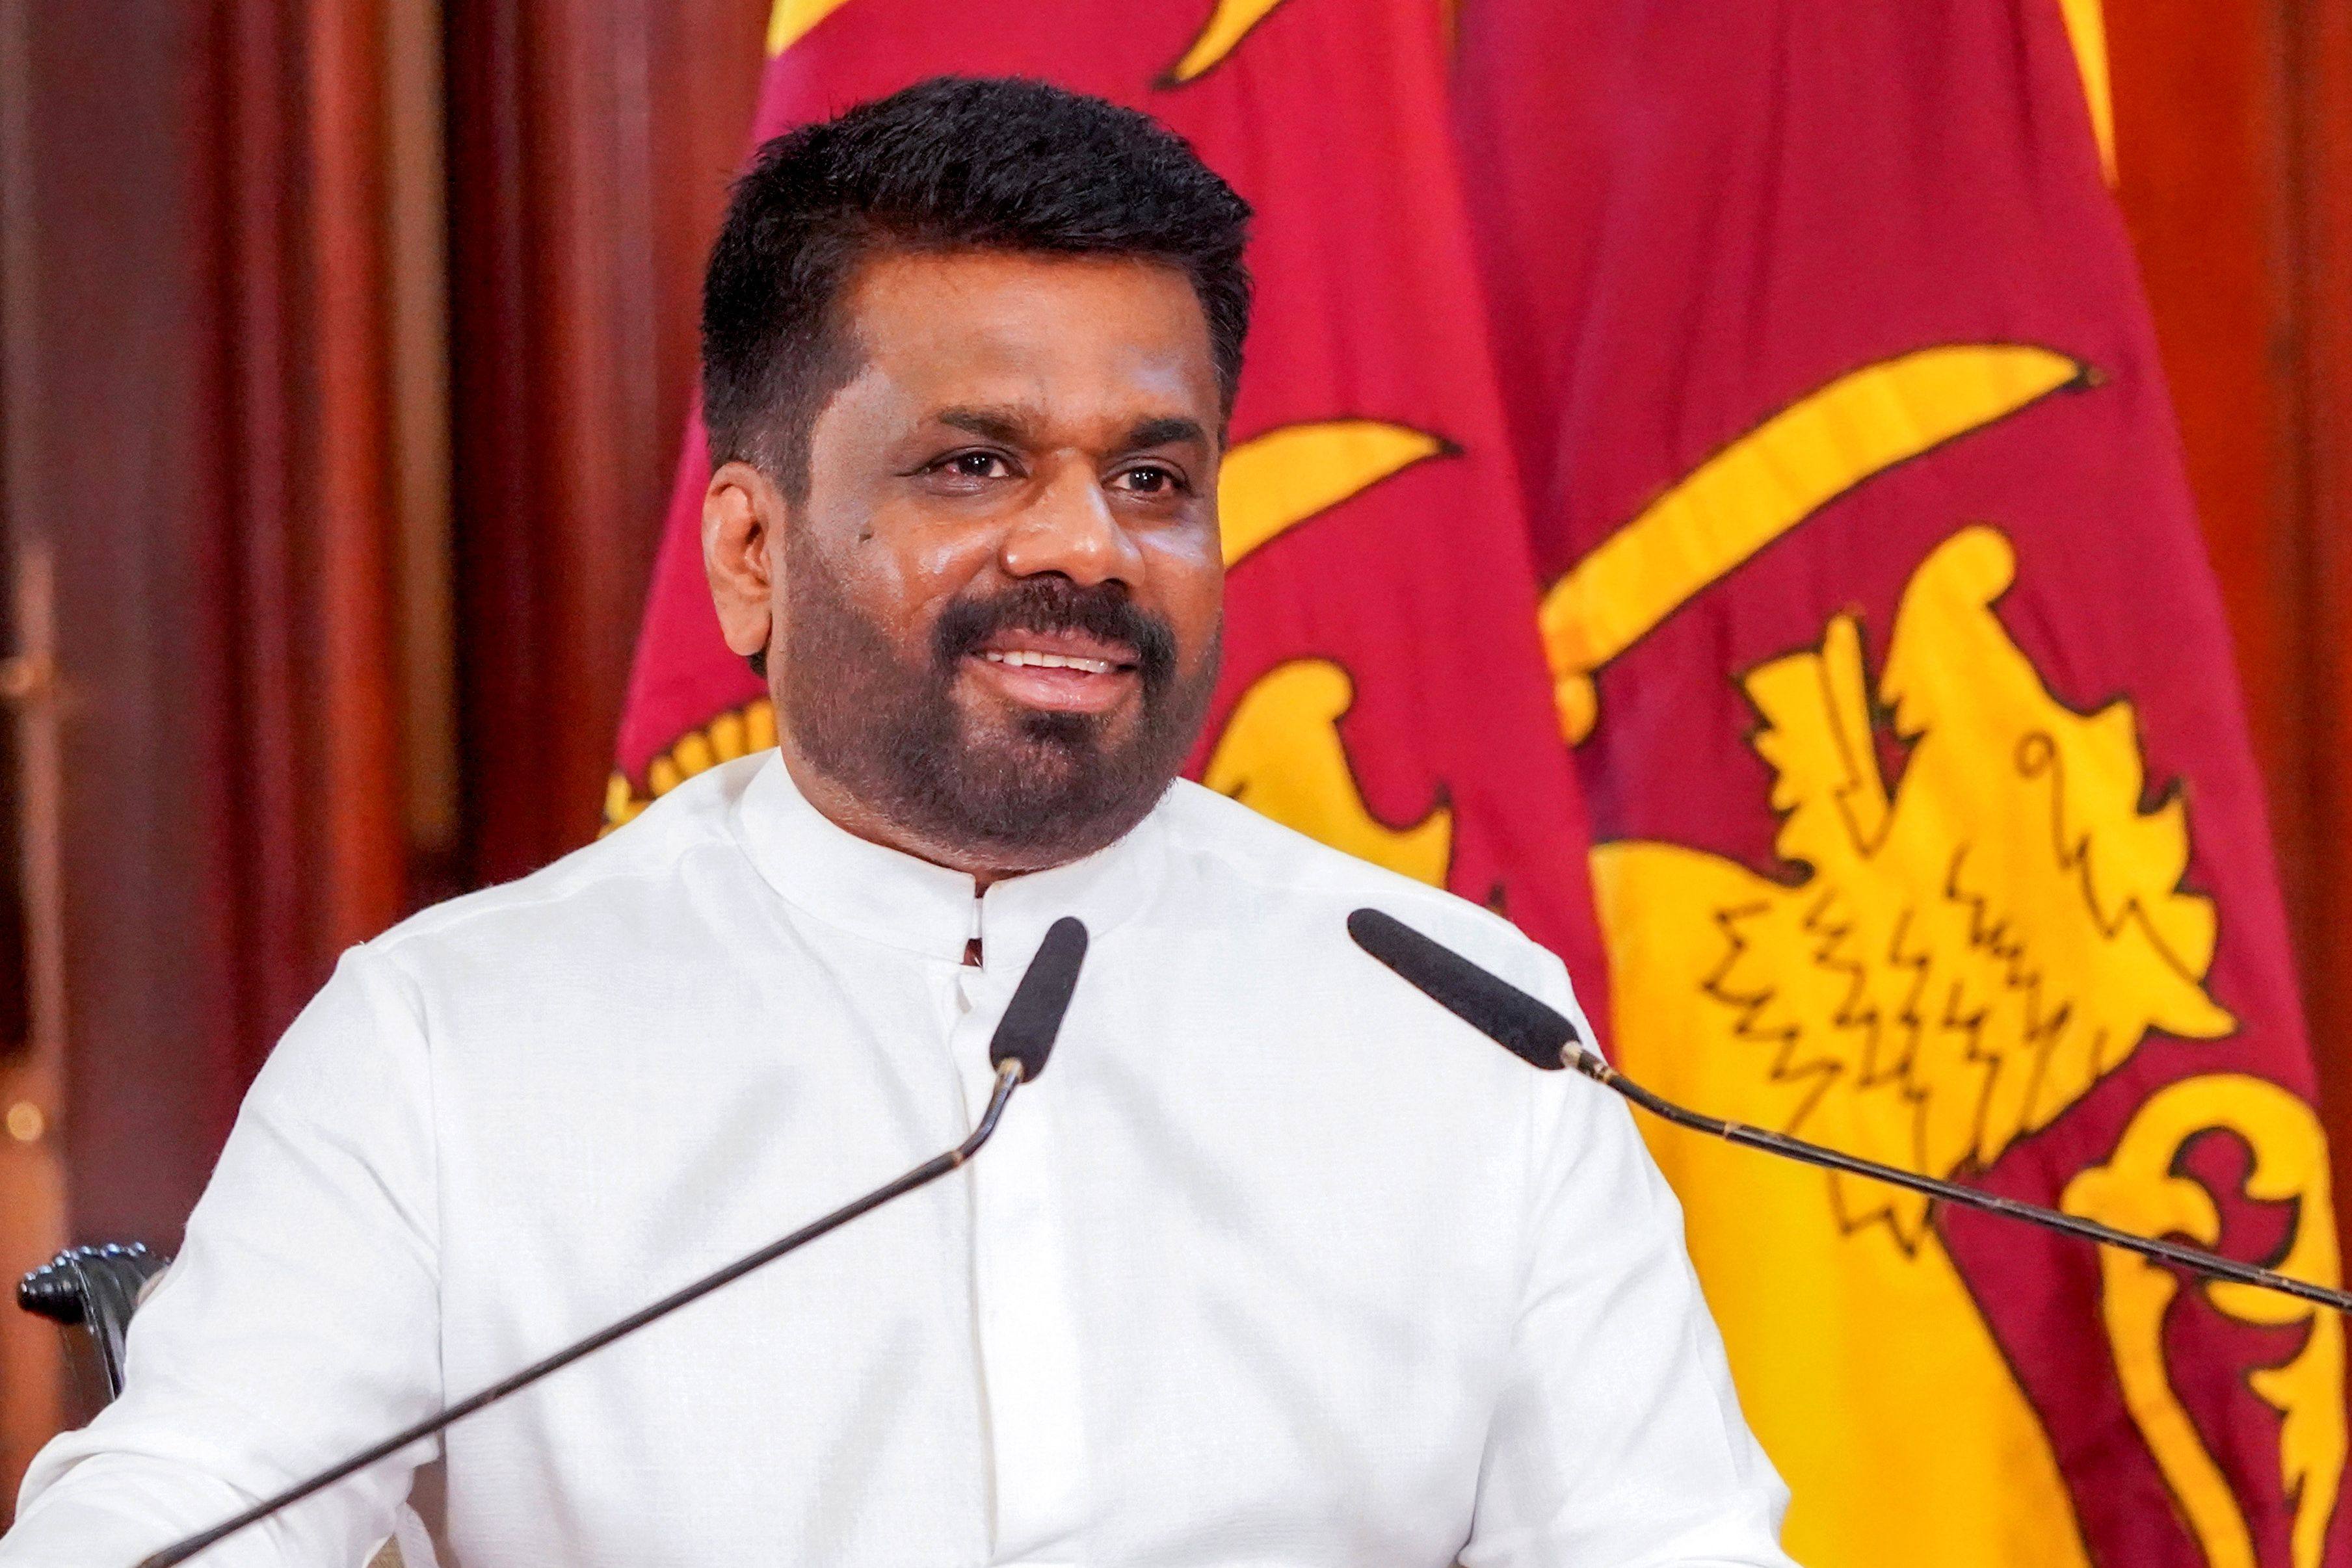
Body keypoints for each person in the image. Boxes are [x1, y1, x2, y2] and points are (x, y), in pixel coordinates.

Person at [2, 77, 1794, 1567]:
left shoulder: (1466, 1026)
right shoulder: (451, 1036)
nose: (1085, 546)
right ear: (749, 551)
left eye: (1151, 477)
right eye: (974, 464)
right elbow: (185, 1505)